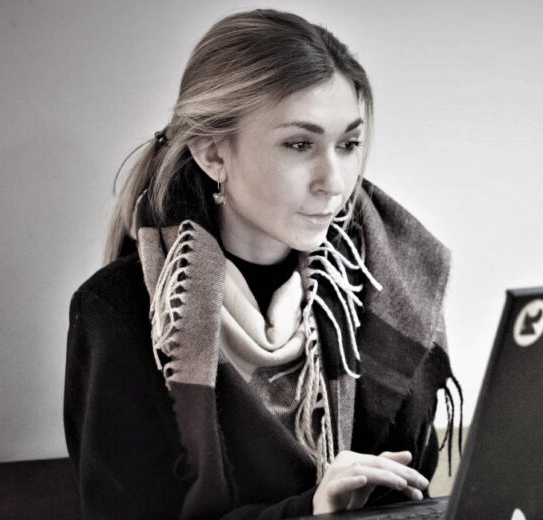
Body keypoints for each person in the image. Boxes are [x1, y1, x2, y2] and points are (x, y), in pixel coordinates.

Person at [63, 9, 461, 519]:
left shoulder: (387, 285)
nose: (334, 182)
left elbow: (411, 495)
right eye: (299, 144)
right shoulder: (118, 311)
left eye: (348, 145)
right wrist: (310, 512)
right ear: (213, 154)